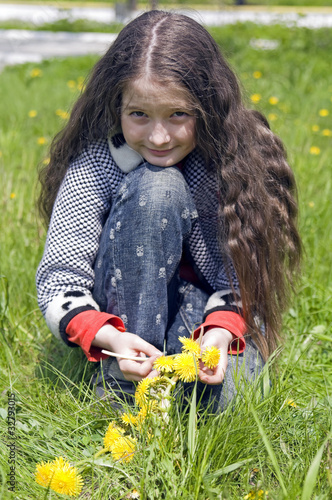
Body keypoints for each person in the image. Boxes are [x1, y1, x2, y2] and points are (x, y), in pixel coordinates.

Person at [36, 10, 301, 411]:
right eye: (139, 115)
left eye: (178, 114)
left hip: (207, 312)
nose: (159, 137)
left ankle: (176, 386)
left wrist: (218, 334)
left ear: (208, 108)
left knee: (223, 405)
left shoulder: (234, 166)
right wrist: (113, 339)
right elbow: (60, 280)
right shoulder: (96, 164)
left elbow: (247, 281)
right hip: (122, 316)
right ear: (116, 106)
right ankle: (124, 384)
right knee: (158, 185)